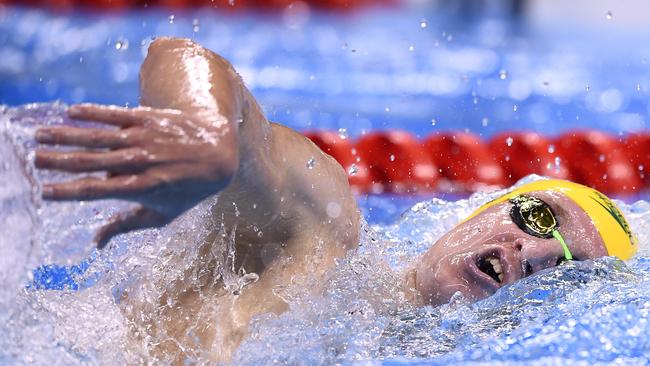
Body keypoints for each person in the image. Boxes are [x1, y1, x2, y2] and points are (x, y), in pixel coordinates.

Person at [33, 37, 637, 363]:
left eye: (563, 270)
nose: (530, 251)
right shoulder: (323, 233)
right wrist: (203, 134)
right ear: (479, 209)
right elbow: (184, 57)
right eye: (538, 218)